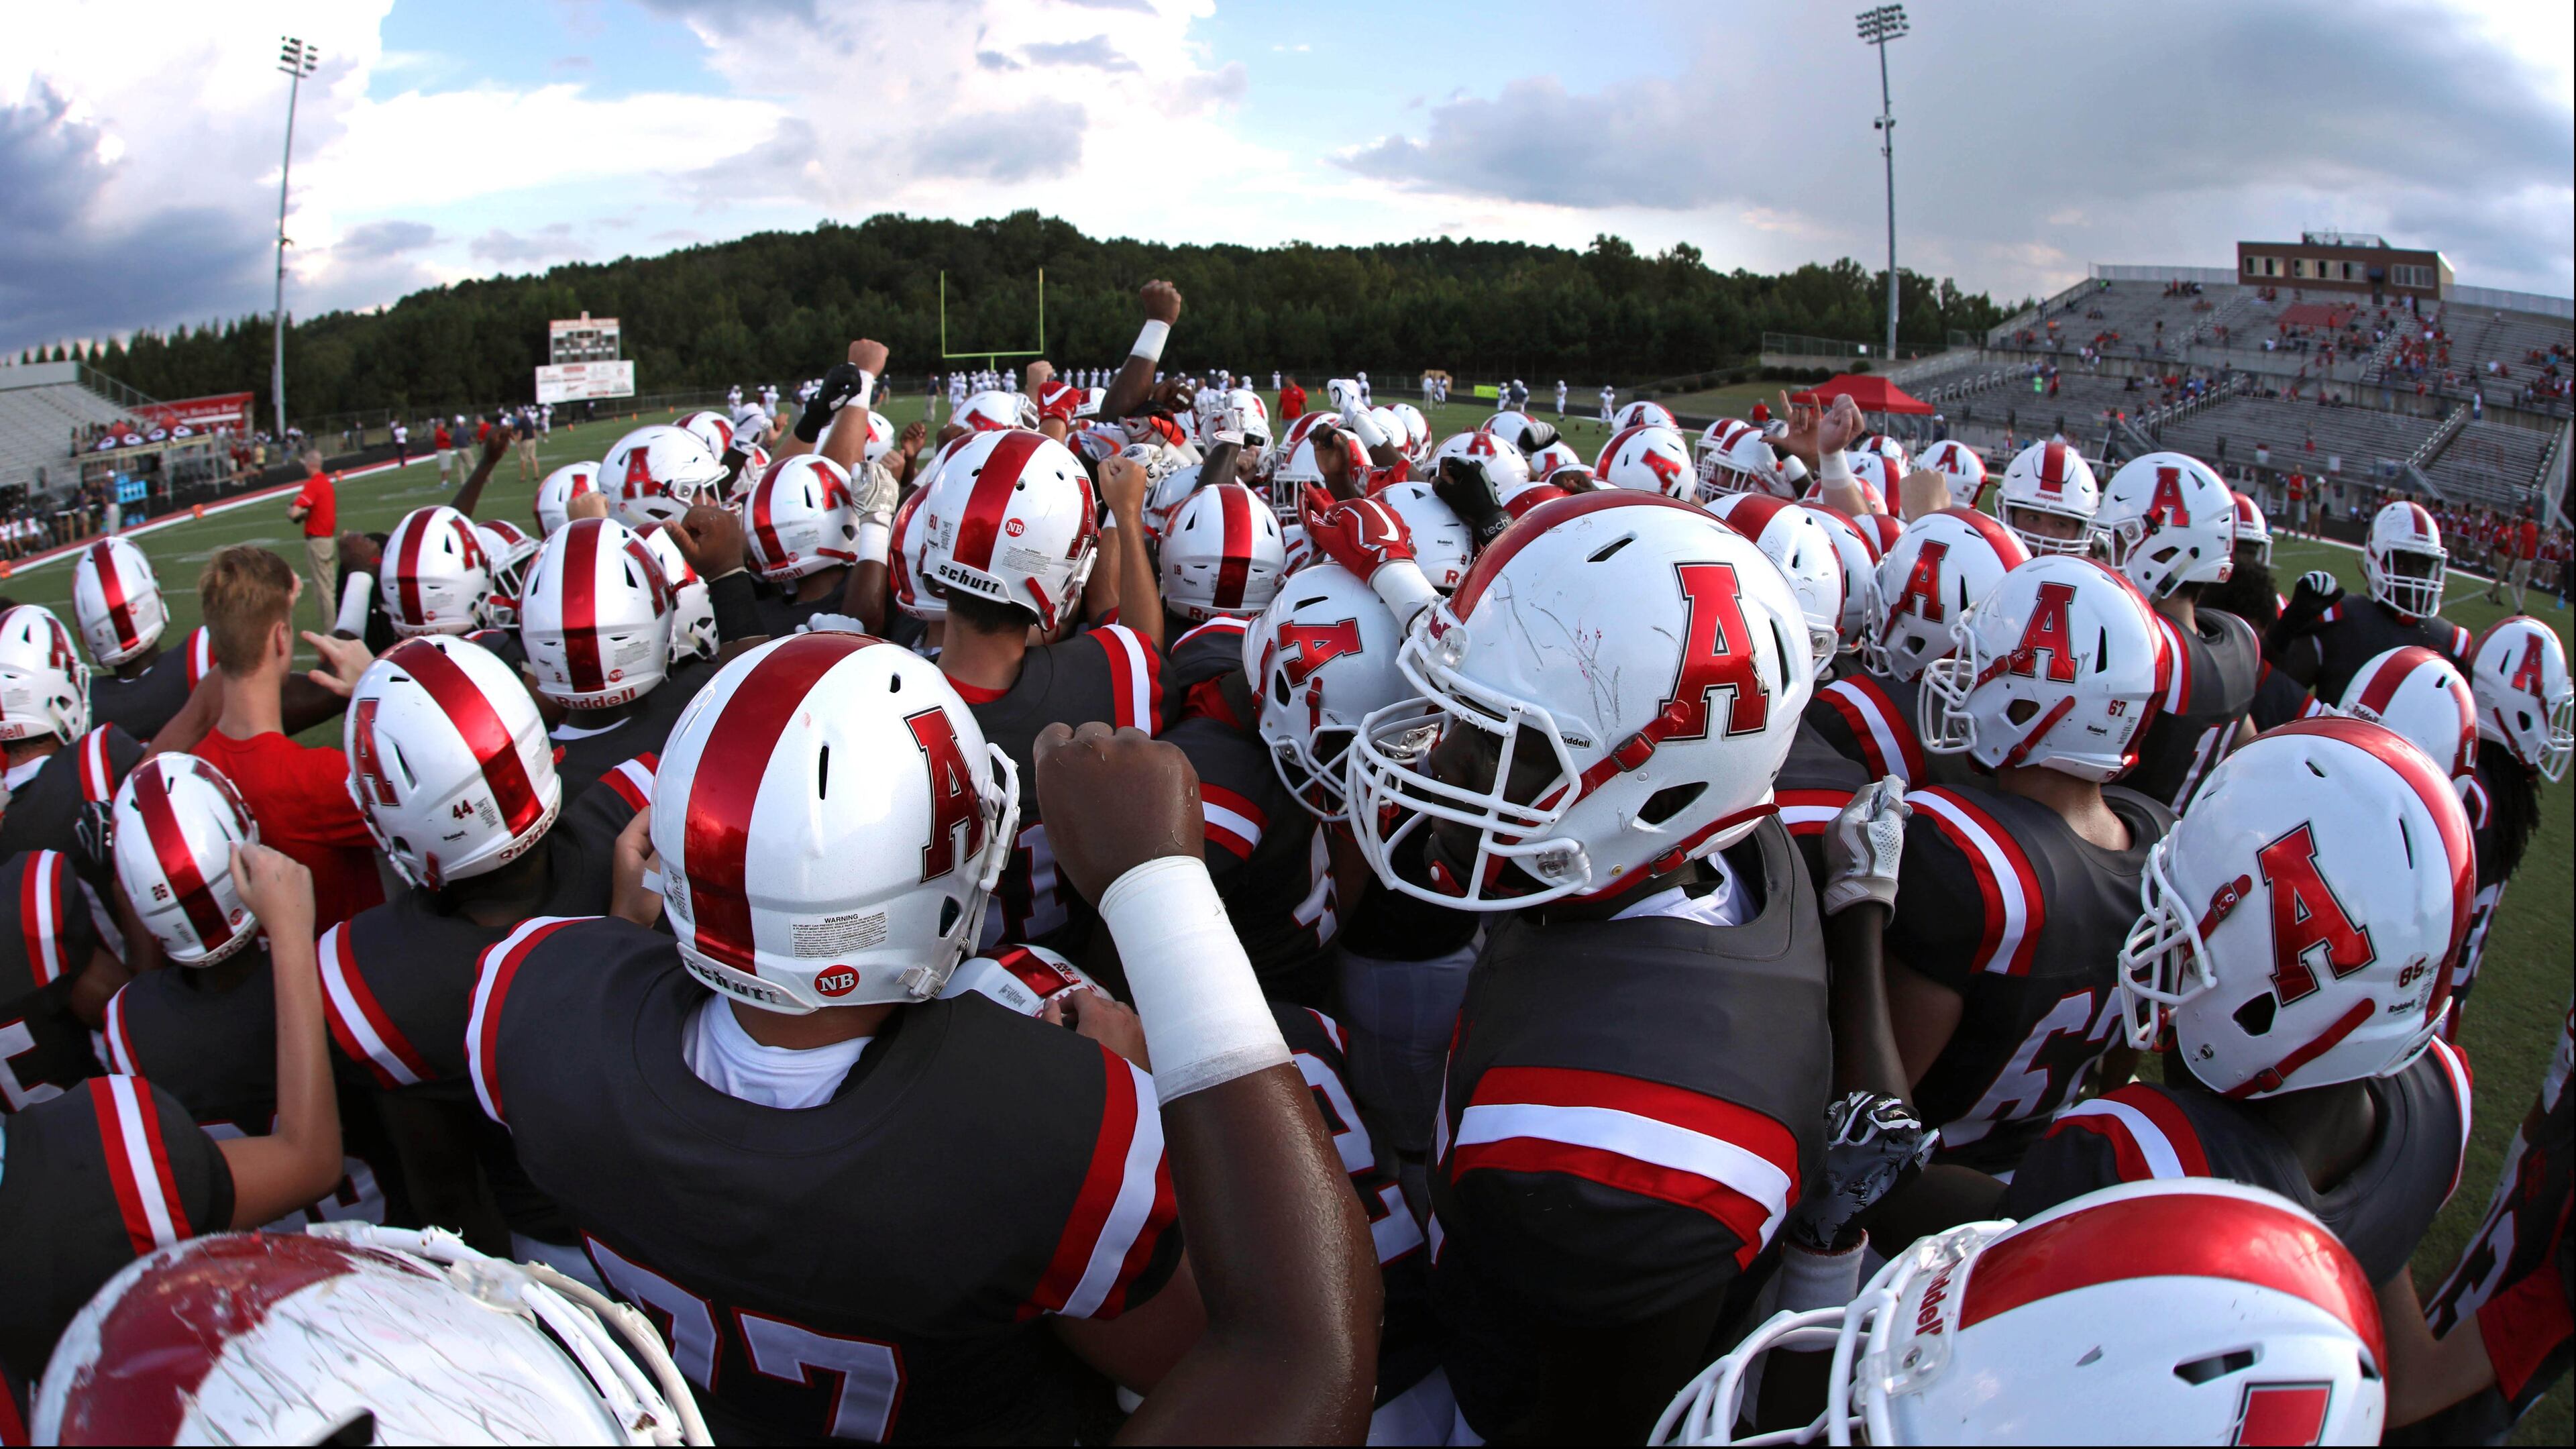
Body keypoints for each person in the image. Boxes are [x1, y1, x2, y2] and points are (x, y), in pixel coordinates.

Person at [466, 633, 1377, 1442]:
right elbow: (1259, 1358)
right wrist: (1156, 894)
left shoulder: (531, 998)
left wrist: (630, 947)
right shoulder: (1044, 1125)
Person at [1343, 492, 1830, 1440]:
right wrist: (1397, 577)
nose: (1444, 767)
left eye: (1495, 746)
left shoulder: (1617, 1143)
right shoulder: (1715, 833)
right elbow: (1564, 678)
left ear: (1649, 789)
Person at [0, 839, 342, 1396]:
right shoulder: (101, 1145)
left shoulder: (132, 1028)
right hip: (274, 1357)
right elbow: (310, 1159)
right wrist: (288, 930)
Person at [186, 546, 382, 933]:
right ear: (281, 639)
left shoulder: (193, 773)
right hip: (344, 978)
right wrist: (376, 682)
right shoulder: (319, 779)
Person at [2094, 453, 2261, 810]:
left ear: (2167, 555)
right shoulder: (2237, 642)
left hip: (2112, 845)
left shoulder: (2146, 653)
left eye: (2122, 541)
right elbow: (2250, 748)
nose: (2107, 555)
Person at [2267, 500, 2472, 710]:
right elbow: (2274, 697)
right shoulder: (2340, 621)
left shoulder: (2451, 641)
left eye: (2423, 568)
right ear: (2374, 559)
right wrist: (2286, 630)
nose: (2415, 579)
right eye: (2402, 564)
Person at [286, 449, 337, 630]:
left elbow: (295, 512)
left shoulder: (313, 485)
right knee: (329, 586)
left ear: (309, 466)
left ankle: (331, 631)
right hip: (328, 539)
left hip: (318, 541)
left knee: (323, 590)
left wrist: (293, 510)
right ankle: (334, 628)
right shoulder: (327, 484)